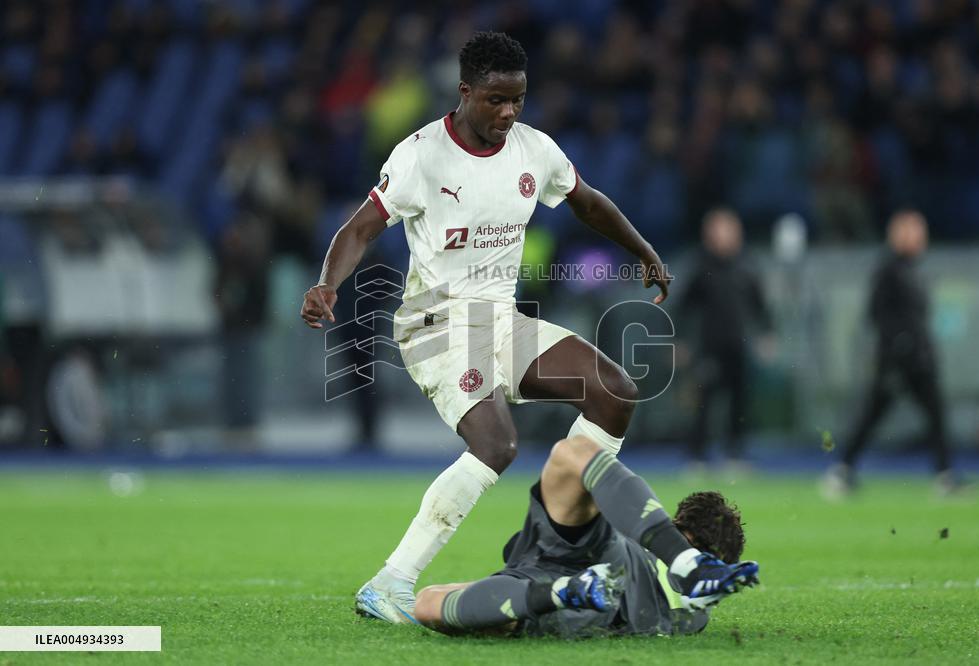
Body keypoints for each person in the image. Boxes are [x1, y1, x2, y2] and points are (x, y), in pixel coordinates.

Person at [300, 32, 673, 623]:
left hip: (500, 317)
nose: (508, 113)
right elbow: (360, 228)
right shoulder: (421, 155)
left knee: (615, 391)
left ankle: (560, 533)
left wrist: (643, 250)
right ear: (465, 91)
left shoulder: (534, 150)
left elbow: (588, 202)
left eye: (518, 99)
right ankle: (390, 583)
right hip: (438, 321)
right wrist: (327, 283)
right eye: (496, 100)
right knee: (496, 445)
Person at [414, 435, 759, 636]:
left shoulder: (641, 552)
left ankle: (685, 562)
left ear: (681, 531)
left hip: (599, 563)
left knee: (574, 450)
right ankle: (561, 592)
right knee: (430, 602)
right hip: (587, 605)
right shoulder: (691, 619)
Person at [822, 209, 960, 497]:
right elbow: (876, 313)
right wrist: (899, 344)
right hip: (896, 359)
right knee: (874, 414)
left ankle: (944, 474)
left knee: (932, 415)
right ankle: (842, 470)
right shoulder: (889, 270)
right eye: (914, 231)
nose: (920, 237)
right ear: (898, 235)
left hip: (919, 358)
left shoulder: (913, 270)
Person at [675, 208, 772, 466]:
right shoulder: (701, 267)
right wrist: (680, 341)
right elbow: (684, 308)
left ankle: (735, 453)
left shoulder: (747, 266)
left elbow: (760, 305)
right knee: (704, 402)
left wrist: (766, 334)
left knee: (740, 402)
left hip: (738, 346)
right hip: (708, 346)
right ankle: (697, 455)